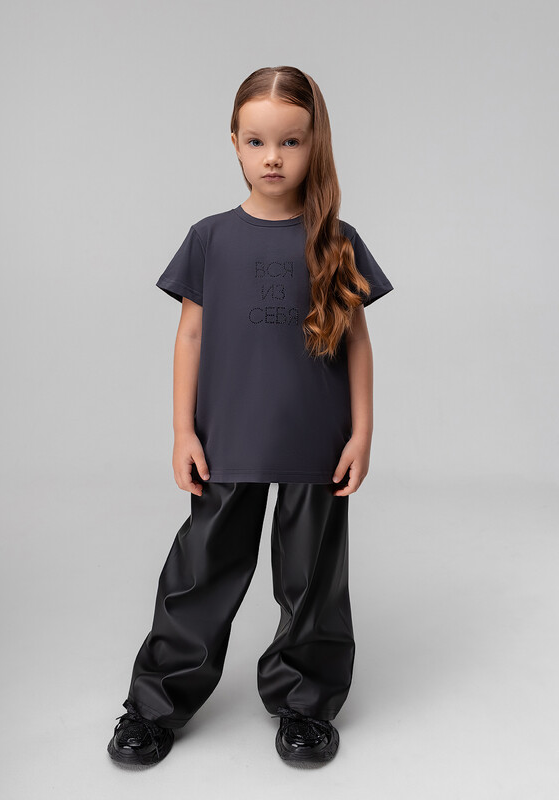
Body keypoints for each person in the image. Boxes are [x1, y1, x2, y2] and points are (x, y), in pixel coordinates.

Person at [107, 65, 394, 769]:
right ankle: (155, 705)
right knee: (200, 573)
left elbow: (358, 342)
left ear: (315, 144)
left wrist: (361, 432)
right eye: (258, 141)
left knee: (312, 582)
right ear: (234, 142)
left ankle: (305, 705)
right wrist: (183, 430)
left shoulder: (337, 239)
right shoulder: (210, 238)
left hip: (315, 442)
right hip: (227, 438)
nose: (273, 157)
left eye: (291, 141)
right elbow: (191, 336)